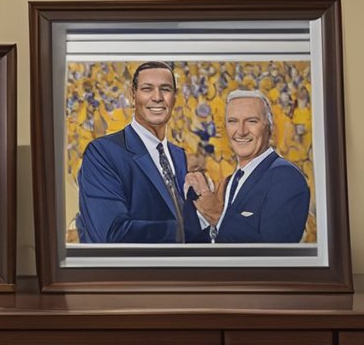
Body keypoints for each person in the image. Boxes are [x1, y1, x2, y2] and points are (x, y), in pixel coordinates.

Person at [76, 61, 206, 243]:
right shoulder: (103, 152)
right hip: (128, 271)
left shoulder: (178, 156)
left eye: (165, 89)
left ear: (175, 97)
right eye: (147, 89)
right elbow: (112, 233)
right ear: (133, 94)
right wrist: (199, 223)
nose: (157, 97)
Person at [184, 89, 310, 243]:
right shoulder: (231, 181)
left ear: (270, 128)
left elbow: (274, 253)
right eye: (233, 121)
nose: (241, 131)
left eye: (252, 121)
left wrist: (217, 215)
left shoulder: (286, 178)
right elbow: (215, 241)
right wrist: (192, 208)